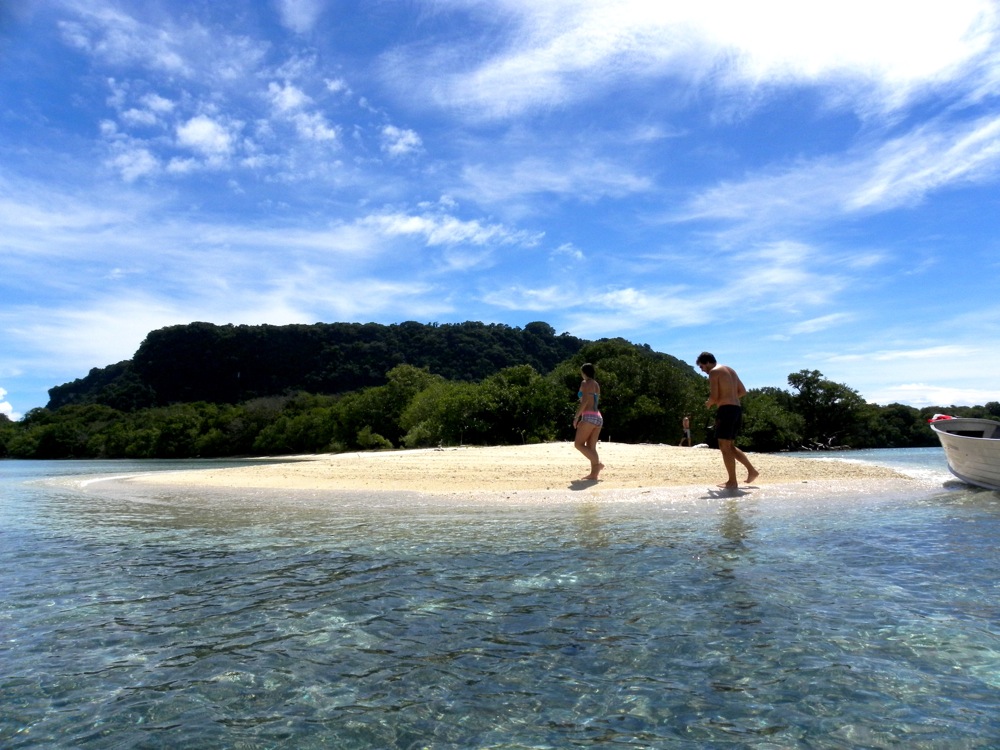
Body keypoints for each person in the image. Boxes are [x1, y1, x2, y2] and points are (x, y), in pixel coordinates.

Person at [695, 352, 759, 489]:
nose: (702, 370)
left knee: (724, 447)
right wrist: (729, 397)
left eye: (701, 367)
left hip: (726, 411)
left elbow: (713, 396)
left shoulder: (714, 372)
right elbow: (742, 391)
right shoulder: (730, 370)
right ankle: (752, 471)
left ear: (707, 363)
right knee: (729, 446)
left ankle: (732, 482)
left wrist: (708, 403)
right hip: (736, 409)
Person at [572, 362, 604, 480]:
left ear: (584, 372)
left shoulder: (585, 383)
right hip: (597, 417)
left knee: (578, 444)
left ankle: (598, 464)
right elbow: (593, 401)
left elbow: (585, 401)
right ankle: (594, 475)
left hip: (589, 416)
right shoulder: (596, 384)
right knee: (591, 448)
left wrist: (577, 417)